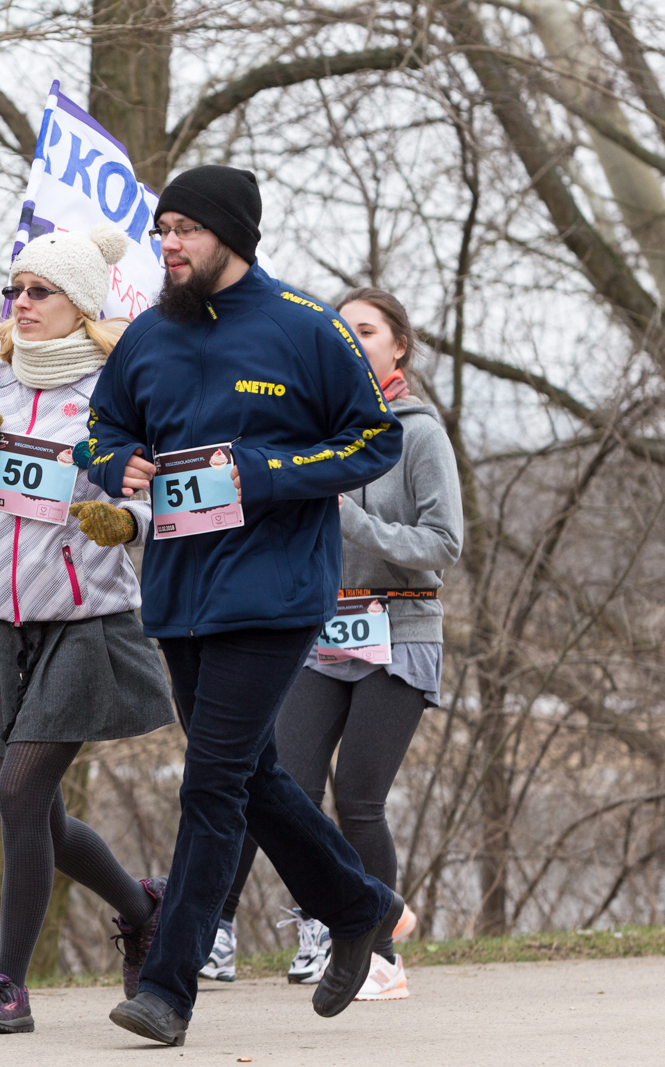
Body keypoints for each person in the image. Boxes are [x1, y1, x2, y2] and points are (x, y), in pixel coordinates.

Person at [84, 165, 413, 1047]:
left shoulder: (308, 329)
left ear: (233, 233)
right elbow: (103, 428)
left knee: (212, 781)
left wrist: (276, 473)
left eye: (186, 228)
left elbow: (377, 436)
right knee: (250, 774)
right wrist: (117, 465)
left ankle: (168, 987)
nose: (170, 244)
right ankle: (359, 905)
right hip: (180, 592)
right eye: (163, 230)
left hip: (274, 592)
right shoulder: (147, 337)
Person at [0, 224, 175, 1035]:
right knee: (34, 812)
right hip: (0, 622)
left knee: (19, 790)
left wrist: (124, 521)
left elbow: (162, 503)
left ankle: (9, 984)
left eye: (40, 291)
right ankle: (144, 907)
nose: (22, 304)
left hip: (84, 622)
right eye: (17, 290)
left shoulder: (121, 389)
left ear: (80, 304)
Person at [200, 288, 463, 1001]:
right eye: (342, 332)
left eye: (368, 331)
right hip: (321, 633)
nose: (353, 341)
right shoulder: (317, 431)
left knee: (360, 798)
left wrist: (353, 522)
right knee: (278, 782)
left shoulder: (418, 433)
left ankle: (381, 955)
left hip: (399, 630)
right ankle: (271, 927)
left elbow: (445, 544)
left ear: (397, 345)